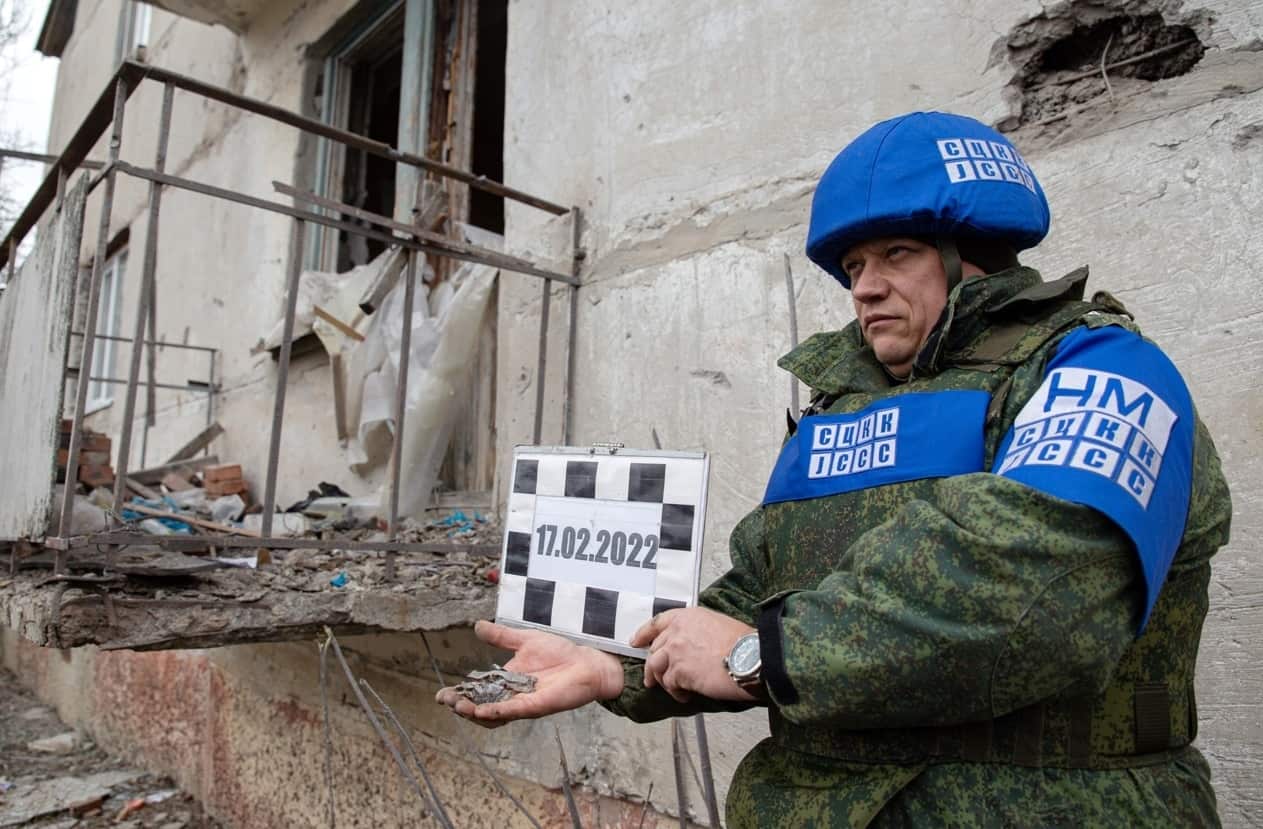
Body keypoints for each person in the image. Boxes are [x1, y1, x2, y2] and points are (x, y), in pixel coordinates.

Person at [437, 112, 1232, 827]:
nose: (865, 288)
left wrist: (761, 656)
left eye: (895, 253)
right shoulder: (837, 407)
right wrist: (618, 665)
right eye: (851, 265)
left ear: (975, 255)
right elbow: (758, 586)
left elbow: (1030, 589)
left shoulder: (1103, 370)